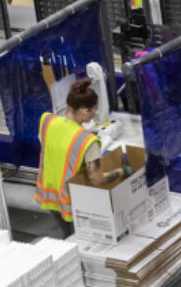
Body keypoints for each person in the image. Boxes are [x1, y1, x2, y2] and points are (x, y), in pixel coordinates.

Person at [35, 79, 128, 236]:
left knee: (67, 239)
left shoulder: (47, 120)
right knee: (77, 243)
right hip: (71, 205)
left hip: (49, 196)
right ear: (84, 111)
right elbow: (97, 179)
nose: (95, 114)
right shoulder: (88, 142)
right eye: (94, 111)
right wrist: (122, 171)